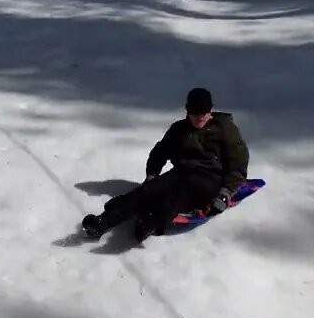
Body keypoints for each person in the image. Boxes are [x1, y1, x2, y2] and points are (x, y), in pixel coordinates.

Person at [80, 87, 249, 242]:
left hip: (210, 178)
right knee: (146, 191)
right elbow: (160, 152)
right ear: (187, 111)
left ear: (210, 110)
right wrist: (152, 173)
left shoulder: (225, 129)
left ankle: (149, 222)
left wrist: (225, 193)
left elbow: (238, 165)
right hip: (182, 172)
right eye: (194, 113)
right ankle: (103, 221)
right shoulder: (179, 129)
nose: (199, 118)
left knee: (177, 196)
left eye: (203, 113)